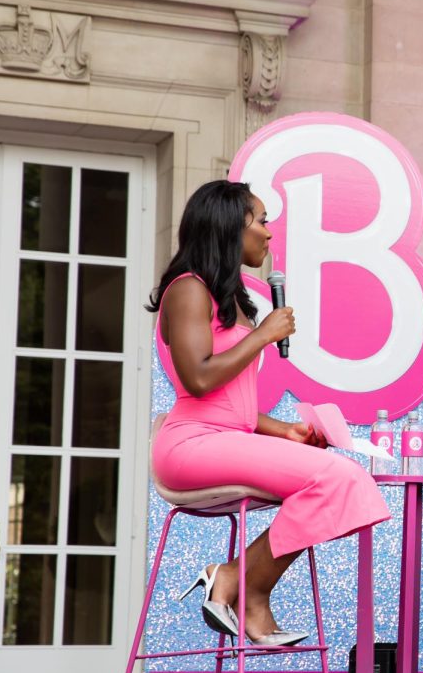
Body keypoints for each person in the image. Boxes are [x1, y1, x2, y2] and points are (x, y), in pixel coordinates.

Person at [147, 180, 390, 647]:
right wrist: (263, 335)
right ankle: (250, 591)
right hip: (189, 444)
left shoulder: (229, 298)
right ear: (228, 228)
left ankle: (234, 578)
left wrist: (283, 430)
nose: (268, 234)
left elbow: (234, 405)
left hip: (221, 437)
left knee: (334, 482)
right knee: (335, 479)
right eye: (260, 221)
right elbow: (198, 381)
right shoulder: (187, 290)